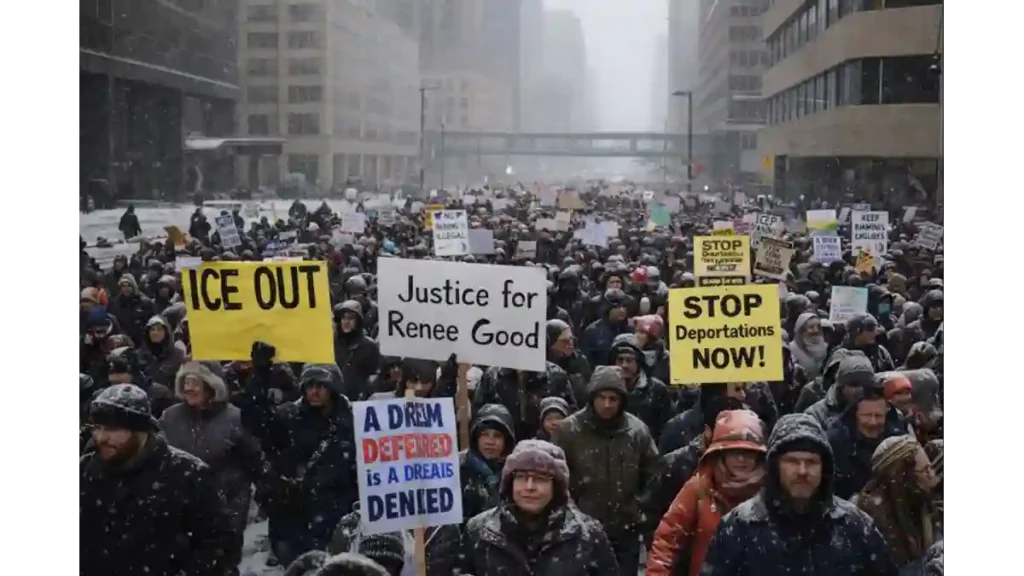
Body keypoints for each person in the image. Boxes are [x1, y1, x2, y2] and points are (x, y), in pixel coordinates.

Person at [699, 413, 898, 575]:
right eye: (792, 461)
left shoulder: (854, 526)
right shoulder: (740, 527)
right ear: (776, 467)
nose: (802, 471)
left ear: (824, 468)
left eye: (811, 462)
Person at [74, 384, 238, 575]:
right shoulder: (84, 472)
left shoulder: (189, 474)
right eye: (97, 428)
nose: (101, 437)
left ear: (140, 431)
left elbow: (219, 547)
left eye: (113, 429)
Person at [553, 366, 660, 576]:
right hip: (579, 529)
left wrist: (640, 510)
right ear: (592, 398)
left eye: (613, 398)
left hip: (625, 530)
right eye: (601, 398)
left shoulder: (637, 431)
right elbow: (556, 478)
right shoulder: (569, 431)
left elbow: (653, 476)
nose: (607, 404)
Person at [460, 439, 619, 575]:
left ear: (556, 486)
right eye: (521, 477)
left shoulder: (588, 534)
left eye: (540, 479)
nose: (529, 487)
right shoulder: (478, 531)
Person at [647, 409, 767, 576]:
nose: (741, 459)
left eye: (749, 453)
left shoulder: (771, 491)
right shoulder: (700, 487)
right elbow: (667, 539)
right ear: (721, 453)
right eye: (735, 452)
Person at [853, 435, 943, 570]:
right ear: (903, 476)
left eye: (930, 468)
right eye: (925, 470)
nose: (932, 476)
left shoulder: (918, 501)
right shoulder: (875, 519)